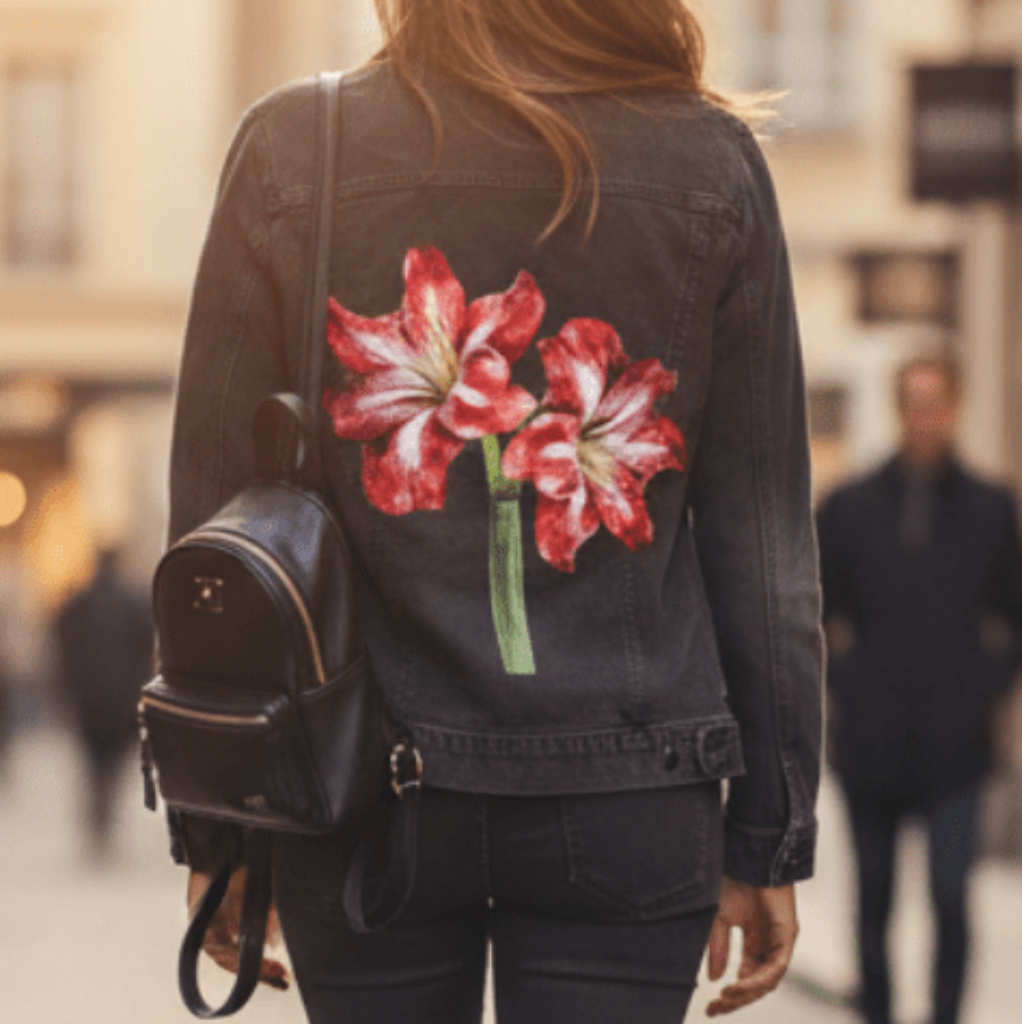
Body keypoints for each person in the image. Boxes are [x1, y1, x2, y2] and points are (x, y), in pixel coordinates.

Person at [166, 1, 824, 1020]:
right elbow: (763, 541)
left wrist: (218, 830)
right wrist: (769, 831)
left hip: (360, 790)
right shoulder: (710, 162)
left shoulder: (296, 146)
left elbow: (209, 526)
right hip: (630, 789)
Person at [817, 355, 1022, 1024]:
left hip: (956, 745)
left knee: (950, 896)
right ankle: (875, 1014)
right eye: (913, 402)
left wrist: (986, 685)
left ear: (956, 406)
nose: (925, 416)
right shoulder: (849, 506)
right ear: (899, 408)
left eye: (937, 402)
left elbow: (1013, 615)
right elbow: (816, 614)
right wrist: (848, 679)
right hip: (871, 739)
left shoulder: (993, 509)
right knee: (873, 900)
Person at [55, 546, 152, 860]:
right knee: (112, 764)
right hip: (122, 700)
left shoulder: (77, 604)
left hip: (88, 700)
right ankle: (104, 818)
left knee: (94, 764)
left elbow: (61, 651)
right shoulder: (134, 603)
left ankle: (98, 819)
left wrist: (65, 691)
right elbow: (147, 654)